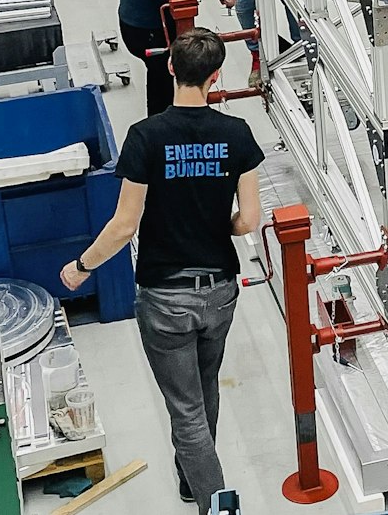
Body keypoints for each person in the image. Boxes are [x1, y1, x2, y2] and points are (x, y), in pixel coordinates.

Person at [60, 28, 264, 508]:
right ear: (216, 77)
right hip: (219, 291)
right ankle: (192, 481)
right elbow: (249, 219)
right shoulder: (236, 134)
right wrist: (221, 225)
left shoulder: (147, 137)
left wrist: (81, 266)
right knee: (203, 388)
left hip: (164, 297)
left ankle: (216, 503)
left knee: (186, 408)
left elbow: (124, 225)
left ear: (171, 68)